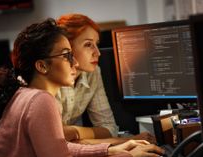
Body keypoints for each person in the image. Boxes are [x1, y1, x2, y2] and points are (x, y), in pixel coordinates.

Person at [0, 18, 164, 157]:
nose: (75, 63)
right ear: (42, 66)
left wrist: (110, 150)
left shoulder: (26, 94)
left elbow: (56, 148)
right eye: (66, 55)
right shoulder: (40, 101)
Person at [56, 13, 156, 144]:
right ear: (66, 48)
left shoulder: (93, 72)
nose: (98, 53)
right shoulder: (52, 79)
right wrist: (126, 141)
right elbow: (57, 137)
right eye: (88, 45)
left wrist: (75, 131)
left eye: (96, 44)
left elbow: (108, 127)